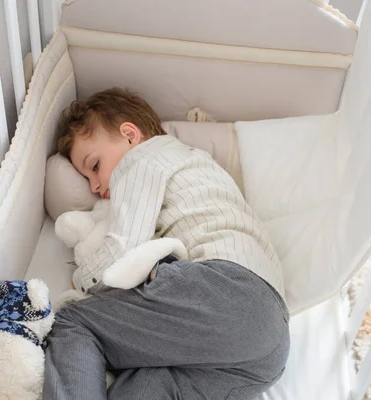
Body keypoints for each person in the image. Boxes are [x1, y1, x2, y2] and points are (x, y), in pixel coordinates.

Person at [43, 87, 290, 400]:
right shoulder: (199, 166)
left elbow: (122, 247)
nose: (95, 186)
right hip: (268, 350)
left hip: (229, 292)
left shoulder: (142, 159)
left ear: (130, 135)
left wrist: (83, 281)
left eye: (95, 166)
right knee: (143, 387)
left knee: (75, 321)